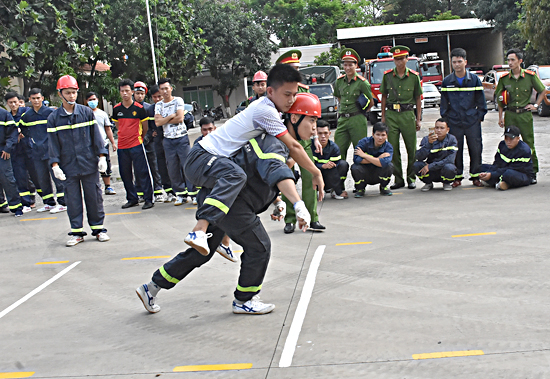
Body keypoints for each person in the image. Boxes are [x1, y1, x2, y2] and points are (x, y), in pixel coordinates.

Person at [135, 97, 320, 315]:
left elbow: (260, 175)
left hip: (221, 201)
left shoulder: (276, 143)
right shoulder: (273, 143)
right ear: (295, 118)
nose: (315, 129)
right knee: (259, 246)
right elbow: (274, 170)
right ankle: (244, 299)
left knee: (200, 254)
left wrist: (276, 201)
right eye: (312, 121)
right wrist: (298, 204)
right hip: (231, 205)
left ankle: (151, 287)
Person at [182, 64, 324, 255]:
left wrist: (277, 199)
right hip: (201, 157)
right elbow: (294, 146)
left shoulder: (273, 109)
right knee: (236, 176)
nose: (291, 100)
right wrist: (315, 173)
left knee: (237, 181)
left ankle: (223, 241)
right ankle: (198, 230)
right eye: (287, 94)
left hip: (216, 159)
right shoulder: (266, 111)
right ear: (270, 91)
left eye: (294, 94)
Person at [47, 75, 110, 246]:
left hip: (88, 163)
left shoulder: (86, 113)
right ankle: (76, 232)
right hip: (68, 167)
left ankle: (98, 230)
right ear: (60, 94)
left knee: (94, 197)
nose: (72, 96)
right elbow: (53, 144)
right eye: (68, 93)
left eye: (74, 92)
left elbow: (96, 137)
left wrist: (102, 156)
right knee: (72, 199)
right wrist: (55, 165)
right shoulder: (54, 118)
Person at [495, 48, 546, 184]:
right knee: (509, 142)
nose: (510, 63)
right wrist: (500, 117)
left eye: (513, 60)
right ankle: (509, 168)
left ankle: (532, 172)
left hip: (524, 114)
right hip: (510, 114)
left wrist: (535, 106)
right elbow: (500, 99)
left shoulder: (530, 76)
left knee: (529, 143)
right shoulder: (504, 79)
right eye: (508, 60)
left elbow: (543, 90)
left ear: (520, 61)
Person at [440, 48, 487, 188]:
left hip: (472, 121)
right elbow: (444, 105)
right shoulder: (447, 81)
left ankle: (476, 176)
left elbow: (481, 102)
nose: (457, 65)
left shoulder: (474, 80)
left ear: (465, 62)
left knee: (476, 148)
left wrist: (479, 116)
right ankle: (457, 177)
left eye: (460, 61)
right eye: (454, 62)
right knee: (455, 150)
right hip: (454, 122)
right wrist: (447, 120)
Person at [192, 116, 237, 262]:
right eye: (205, 130)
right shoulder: (199, 145)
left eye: (210, 129)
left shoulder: (221, 141)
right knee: (207, 216)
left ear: (215, 128)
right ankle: (200, 237)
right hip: (206, 186)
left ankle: (225, 243)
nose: (208, 132)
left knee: (227, 213)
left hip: (220, 185)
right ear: (201, 130)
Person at [380, 45, 423, 190]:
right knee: (393, 148)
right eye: (396, 59)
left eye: (402, 59)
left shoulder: (414, 77)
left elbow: (418, 98)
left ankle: (411, 178)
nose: (399, 62)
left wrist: (418, 119)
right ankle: (398, 179)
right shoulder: (387, 76)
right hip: (392, 114)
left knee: (411, 148)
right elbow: (384, 97)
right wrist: (383, 117)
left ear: (407, 59)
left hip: (407, 114)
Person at [282, 93, 326, 233]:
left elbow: (308, 120)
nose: (315, 127)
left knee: (310, 179)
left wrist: (315, 138)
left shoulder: (302, 92)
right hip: (288, 139)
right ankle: (289, 219)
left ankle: (313, 217)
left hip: (303, 140)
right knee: (287, 180)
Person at [19, 88, 67, 213]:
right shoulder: (27, 116)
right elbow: (22, 128)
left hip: (52, 150)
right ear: (29, 100)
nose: (36, 101)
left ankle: (63, 202)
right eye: (33, 98)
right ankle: (49, 203)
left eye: (38, 98)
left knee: (57, 177)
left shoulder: (50, 113)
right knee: (42, 178)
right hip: (37, 151)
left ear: (42, 98)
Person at [112, 79, 154, 210]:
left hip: (136, 144)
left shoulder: (140, 109)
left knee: (142, 172)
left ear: (132, 92)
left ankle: (148, 199)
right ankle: (132, 198)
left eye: (127, 91)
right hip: (122, 147)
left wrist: (139, 138)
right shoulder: (116, 109)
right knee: (125, 174)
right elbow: (118, 125)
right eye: (122, 91)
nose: (124, 94)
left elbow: (145, 127)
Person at [154, 78, 194, 206]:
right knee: (172, 169)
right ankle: (180, 194)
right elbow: (157, 123)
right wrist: (172, 115)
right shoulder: (158, 105)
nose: (165, 91)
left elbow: (180, 118)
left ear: (171, 88)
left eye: (167, 88)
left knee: (186, 165)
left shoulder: (178, 100)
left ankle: (193, 194)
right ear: (159, 91)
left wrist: (165, 119)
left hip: (181, 138)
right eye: (162, 89)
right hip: (168, 140)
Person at [333, 48, 373, 162]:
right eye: (345, 65)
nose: (347, 68)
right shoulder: (339, 81)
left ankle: (360, 178)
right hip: (343, 119)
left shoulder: (362, 82)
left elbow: (371, 101)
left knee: (360, 150)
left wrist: (362, 113)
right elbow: (339, 97)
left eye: (350, 65)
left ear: (356, 65)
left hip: (357, 119)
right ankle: (340, 178)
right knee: (338, 150)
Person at [5, 92, 36, 212]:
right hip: (15, 151)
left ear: (19, 101)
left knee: (35, 175)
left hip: (29, 147)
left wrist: (24, 132)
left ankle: (46, 200)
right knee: (20, 177)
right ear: (7, 104)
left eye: (15, 102)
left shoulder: (26, 113)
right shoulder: (7, 116)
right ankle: (26, 203)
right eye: (10, 103)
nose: (13, 105)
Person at [133, 81, 164, 202]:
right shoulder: (130, 108)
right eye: (137, 93)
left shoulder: (148, 108)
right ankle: (140, 192)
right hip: (135, 143)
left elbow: (151, 126)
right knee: (138, 168)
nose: (139, 96)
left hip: (149, 142)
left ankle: (157, 190)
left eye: (141, 93)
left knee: (154, 166)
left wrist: (149, 135)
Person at [476, 126, 532, 190]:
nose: (508, 142)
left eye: (511, 139)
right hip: (502, 170)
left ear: (518, 139)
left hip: (519, 174)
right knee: (481, 167)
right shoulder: (502, 145)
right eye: (506, 138)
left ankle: (497, 182)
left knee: (508, 174)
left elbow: (511, 168)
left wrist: (492, 175)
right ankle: (501, 183)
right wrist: (487, 173)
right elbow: (497, 163)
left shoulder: (523, 150)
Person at [85, 92, 117, 196]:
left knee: (105, 165)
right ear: (86, 102)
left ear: (98, 100)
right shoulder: (84, 113)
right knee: (91, 166)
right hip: (89, 145)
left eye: (94, 99)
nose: (92, 102)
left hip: (102, 143)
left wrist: (113, 143)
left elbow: (107, 129)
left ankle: (108, 186)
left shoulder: (102, 114)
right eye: (90, 100)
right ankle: (93, 187)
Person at [413, 118, 458, 192]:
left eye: (442, 128)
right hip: (430, 171)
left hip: (442, 169)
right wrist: (429, 144)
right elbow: (418, 157)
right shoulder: (426, 139)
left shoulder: (452, 139)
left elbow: (450, 160)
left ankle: (446, 183)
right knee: (417, 165)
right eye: (437, 128)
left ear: (447, 130)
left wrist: (430, 166)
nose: (439, 130)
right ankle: (428, 183)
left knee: (450, 167)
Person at [351, 122, 394, 197]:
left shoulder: (388, 147)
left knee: (389, 166)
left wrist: (364, 155)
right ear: (373, 134)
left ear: (387, 136)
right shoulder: (363, 142)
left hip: (378, 173)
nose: (380, 138)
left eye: (383, 135)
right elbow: (357, 160)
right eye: (378, 135)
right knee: (355, 167)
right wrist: (378, 159)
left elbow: (384, 163)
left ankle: (383, 187)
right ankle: (360, 189)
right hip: (365, 172)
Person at [149, 85, 176, 203]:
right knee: (161, 166)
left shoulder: (172, 105)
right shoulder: (150, 110)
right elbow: (150, 126)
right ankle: (169, 191)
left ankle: (180, 190)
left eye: (159, 96)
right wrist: (152, 133)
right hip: (158, 142)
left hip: (171, 139)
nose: (157, 99)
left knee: (174, 164)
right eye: (154, 97)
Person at [313, 120, 349, 199]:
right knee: (308, 170)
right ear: (315, 134)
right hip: (315, 175)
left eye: (325, 133)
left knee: (343, 165)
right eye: (320, 133)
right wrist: (322, 166)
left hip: (329, 175)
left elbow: (334, 169)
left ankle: (335, 190)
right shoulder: (310, 147)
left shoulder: (334, 148)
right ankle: (313, 191)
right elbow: (307, 165)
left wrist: (338, 190)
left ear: (329, 134)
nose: (323, 136)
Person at [0, 107, 23, 217]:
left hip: (2, 151)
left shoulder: (3, 114)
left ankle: (16, 206)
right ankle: (1, 204)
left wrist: (8, 148)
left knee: (7, 178)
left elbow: (13, 132)